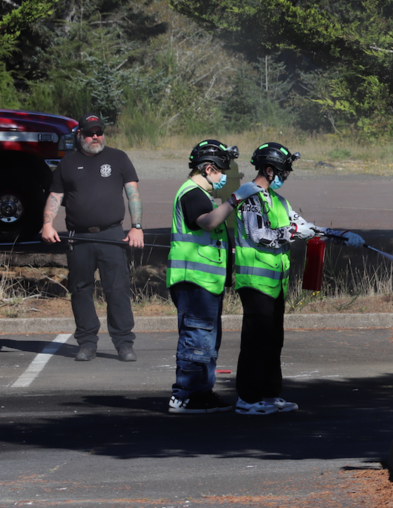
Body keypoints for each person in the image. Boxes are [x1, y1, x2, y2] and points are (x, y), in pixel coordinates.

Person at [231, 142, 364, 415]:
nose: (285, 178)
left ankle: (269, 394)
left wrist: (340, 236)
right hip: (255, 283)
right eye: (282, 172)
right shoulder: (250, 200)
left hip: (275, 283)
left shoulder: (279, 201)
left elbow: (306, 227)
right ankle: (248, 399)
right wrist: (292, 233)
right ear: (269, 170)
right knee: (256, 342)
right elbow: (261, 236)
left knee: (273, 340)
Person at [166, 140, 261, 414]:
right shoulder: (193, 193)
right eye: (222, 172)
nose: (224, 178)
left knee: (205, 339)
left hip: (204, 281)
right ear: (208, 168)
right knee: (196, 339)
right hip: (194, 281)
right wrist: (234, 200)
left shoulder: (201, 194)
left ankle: (201, 393)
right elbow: (208, 222)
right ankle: (186, 395)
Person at [41, 114, 143, 362]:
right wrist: (47, 224)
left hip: (112, 234)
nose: (95, 137)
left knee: (117, 290)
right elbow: (55, 195)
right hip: (80, 238)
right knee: (80, 290)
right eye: (89, 133)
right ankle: (87, 343)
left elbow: (133, 194)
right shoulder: (67, 163)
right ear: (80, 135)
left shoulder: (118, 158)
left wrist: (136, 226)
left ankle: (124, 343)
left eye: (98, 132)